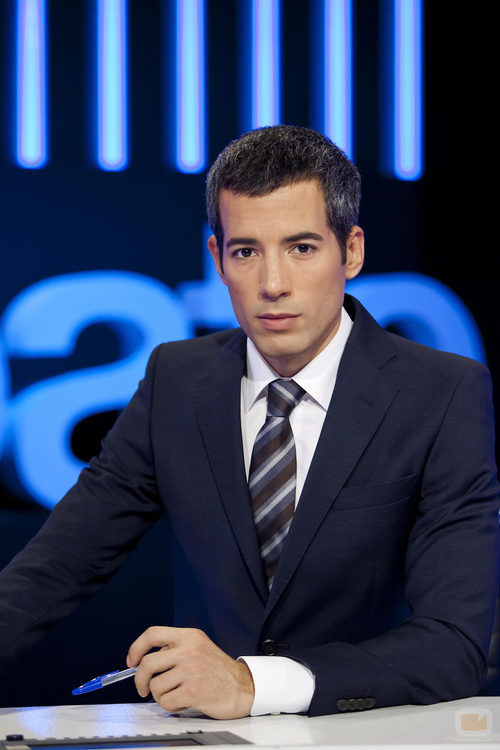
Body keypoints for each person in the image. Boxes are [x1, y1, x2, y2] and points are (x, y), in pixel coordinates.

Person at [0, 125, 498, 719]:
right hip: (207, 739)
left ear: (352, 251)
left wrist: (250, 682)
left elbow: (453, 644)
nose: (273, 285)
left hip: (363, 730)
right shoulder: (175, 381)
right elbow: (57, 567)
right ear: (217, 258)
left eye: (302, 248)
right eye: (246, 252)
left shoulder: (441, 393)